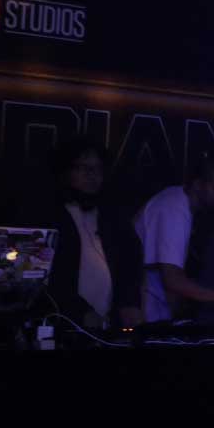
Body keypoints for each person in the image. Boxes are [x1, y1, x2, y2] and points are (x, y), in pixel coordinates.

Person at [39, 136, 143, 329]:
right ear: (66, 171)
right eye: (85, 168)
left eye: (98, 169)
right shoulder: (48, 216)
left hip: (109, 325)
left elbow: (130, 263)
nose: (93, 175)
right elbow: (49, 277)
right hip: (63, 325)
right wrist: (79, 311)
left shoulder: (112, 216)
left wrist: (129, 303)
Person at [134, 153, 214, 322]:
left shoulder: (175, 198)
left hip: (148, 297)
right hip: (143, 301)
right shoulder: (175, 211)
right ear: (197, 185)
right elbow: (172, 280)